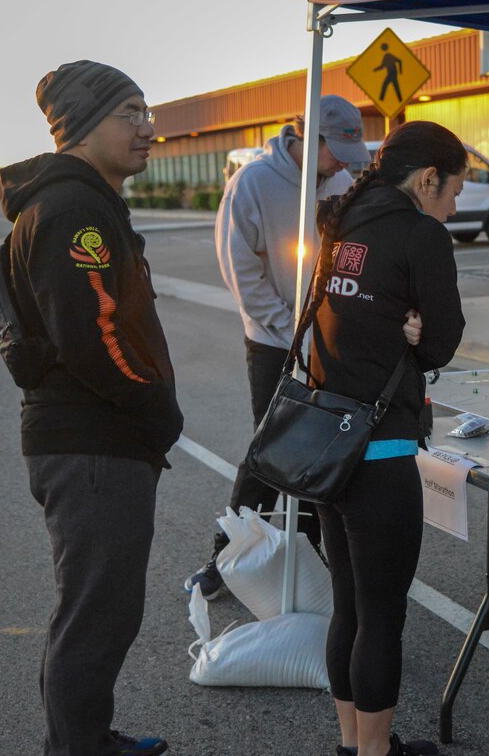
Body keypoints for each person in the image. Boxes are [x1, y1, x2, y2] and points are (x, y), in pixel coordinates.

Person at [0, 60, 183, 756]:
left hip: (91, 441)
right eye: (130, 113)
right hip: (95, 444)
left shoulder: (76, 200)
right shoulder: (74, 209)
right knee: (94, 617)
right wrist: (156, 409)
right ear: (79, 125)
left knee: (97, 613)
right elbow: (92, 335)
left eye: (148, 112)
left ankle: (83, 738)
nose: (148, 129)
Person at [313, 120, 466, 756]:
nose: (455, 205)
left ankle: (354, 745)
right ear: (427, 179)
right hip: (380, 446)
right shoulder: (420, 233)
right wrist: (414, 331)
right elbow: (439, 343)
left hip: (327, 442)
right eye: (454, 190)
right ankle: (375, 754)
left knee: (348, 606)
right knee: (382, 617)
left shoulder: (341, 220)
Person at [184, 95, 371, 600]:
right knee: (271, 448)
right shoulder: (253, 182)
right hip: (272, 341)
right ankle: (225, 555)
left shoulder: (340, 182)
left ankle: (307, 556)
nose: (340, 166)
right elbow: (239, 267)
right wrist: (285, 328)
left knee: (323, 445)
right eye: (335, 152)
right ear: (306, 138)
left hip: (326, 338)